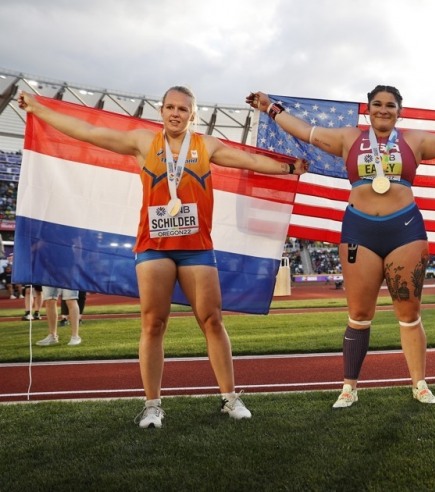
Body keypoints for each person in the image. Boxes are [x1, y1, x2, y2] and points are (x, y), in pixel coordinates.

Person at [19, 86, 308, 428]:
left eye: (183, 109)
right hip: (154, 246)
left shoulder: (206, 145)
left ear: (192, 115)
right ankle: (153, 405)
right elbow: (90, 132)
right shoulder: (144, 142)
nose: (175, 113)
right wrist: (38, 109)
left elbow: (251, 161)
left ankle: (230, 398)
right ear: (161, 111)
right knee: (153, 323)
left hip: (196, 247)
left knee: (212, 320)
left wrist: (289, 168)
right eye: (170, 107)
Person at [246, 85, 435, 408]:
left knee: (409, 313)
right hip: (360, 230)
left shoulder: (415, 140)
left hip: (405, 230)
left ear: (400, 111)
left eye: (390, 105)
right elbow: (304, 131)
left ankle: (420, 385)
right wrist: (269, 108)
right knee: (358, 314)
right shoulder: (349, 138)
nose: (383, 109)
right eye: (377, 104)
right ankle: (349, 387)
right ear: (368, 109)